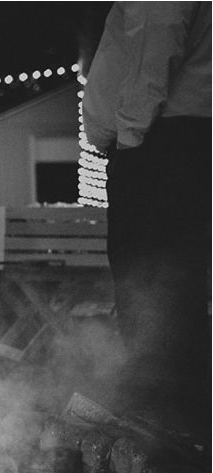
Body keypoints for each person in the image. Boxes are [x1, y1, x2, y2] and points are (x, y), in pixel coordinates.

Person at [83, 2, 211, 422]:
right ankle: (175, 421)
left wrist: (131, 140)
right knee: (175, 290)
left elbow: (155, 40)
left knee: (153, 291)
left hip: (161, 143)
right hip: (175, 141)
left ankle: (162, 429)